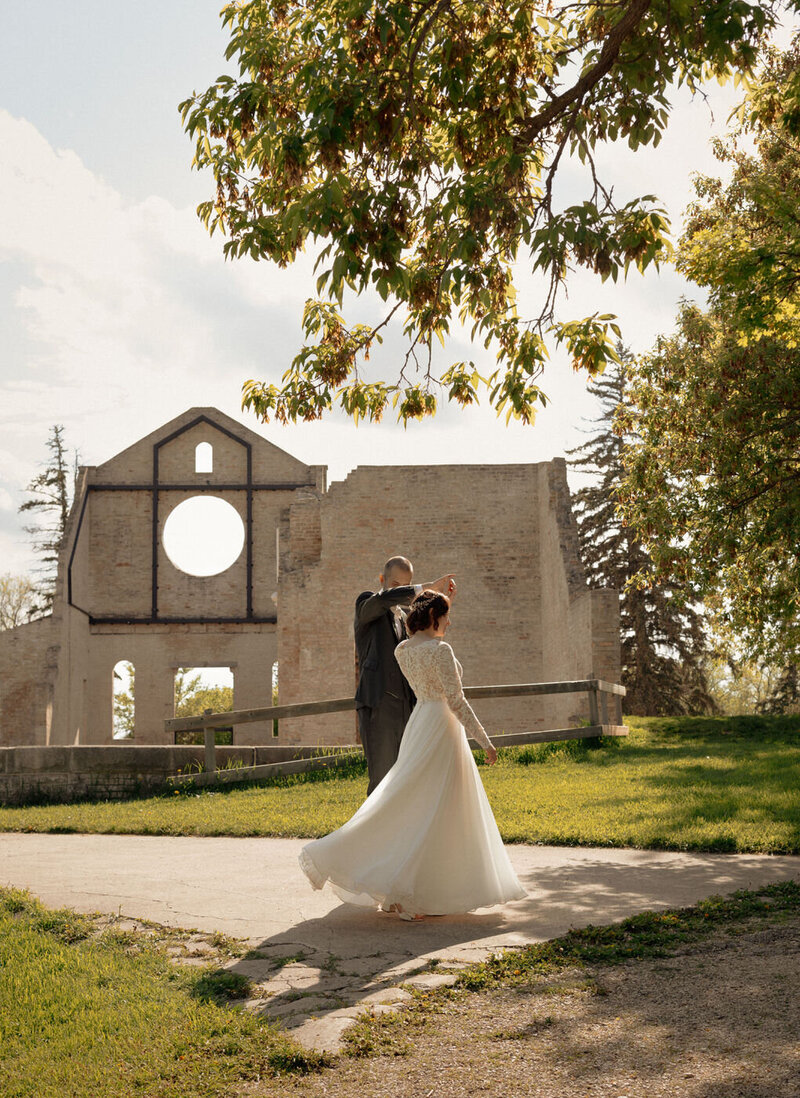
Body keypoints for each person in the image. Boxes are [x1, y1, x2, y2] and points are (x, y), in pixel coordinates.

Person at [300, 589, 527, 919]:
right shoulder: (441, 650)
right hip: (441, 729)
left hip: (420, 722)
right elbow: (456, 701)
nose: (450, 621)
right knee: (438, 806)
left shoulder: (402, 650)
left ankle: (402, 889)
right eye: (446, 614)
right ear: (434, 616)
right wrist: (485, 740)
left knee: (413, 801)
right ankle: (411, 892)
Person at [354, 556, 456, 795]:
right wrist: (422, 588)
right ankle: (374, 832)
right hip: (379, 706)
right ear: (382, 580)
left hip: (409, 709)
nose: (400, 591)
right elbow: (382, 600)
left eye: (406, 584)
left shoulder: (405, 617)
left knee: (406, 780)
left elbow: (428, 638)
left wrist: (443, 602)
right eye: (395, 584)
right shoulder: (366, 604)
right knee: (381, 782)